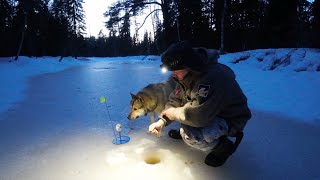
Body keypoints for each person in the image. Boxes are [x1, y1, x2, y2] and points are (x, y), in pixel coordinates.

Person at [148, 41, 251, 167]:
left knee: (190, 135)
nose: (172, 74)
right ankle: (184, 128)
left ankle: (223, 147)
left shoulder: (212, 78)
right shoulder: (185, 74)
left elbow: (199, 116)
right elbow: (175, 99)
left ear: (189, 66)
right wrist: (162, 121)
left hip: (230, 117)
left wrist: (174, 114)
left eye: (175, 70)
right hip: (209, 110)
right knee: (182, 114)